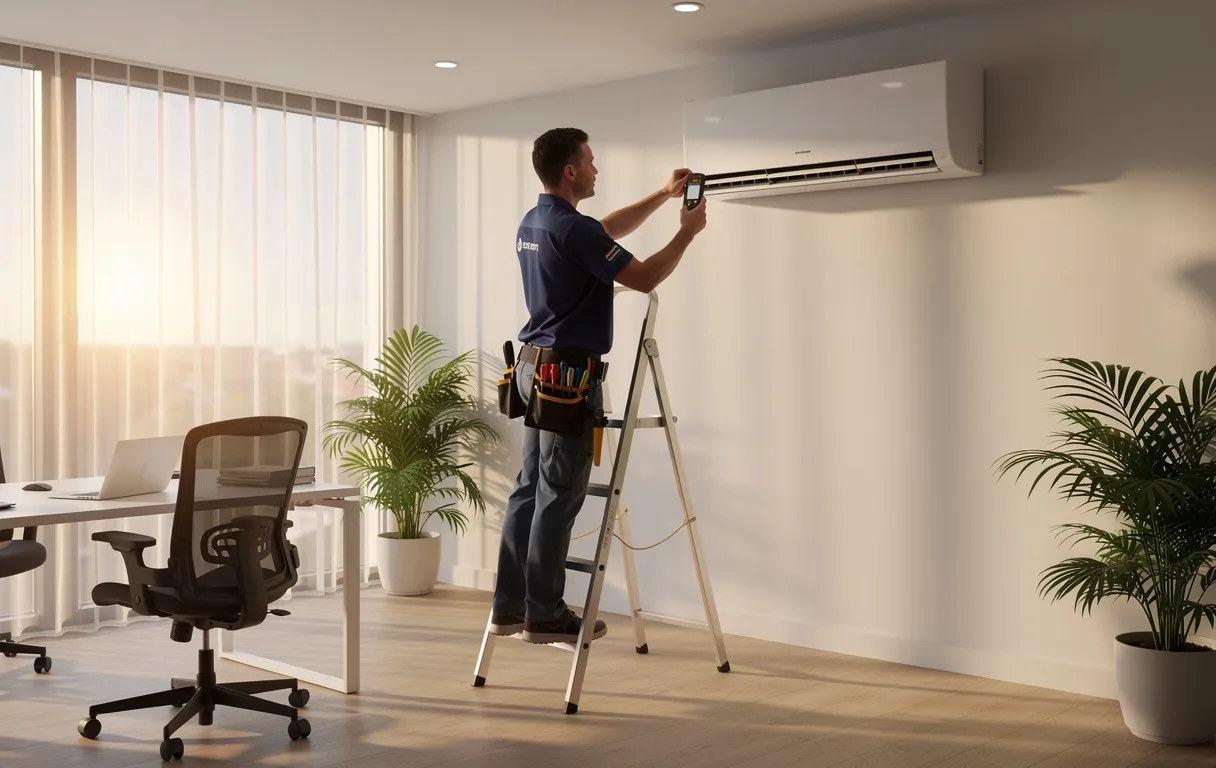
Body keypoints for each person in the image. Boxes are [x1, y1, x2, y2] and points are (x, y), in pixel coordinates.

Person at [490, 127, 708, 645]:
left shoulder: (536, 221)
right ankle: (544, 614)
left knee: (528, 490)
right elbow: (644, 276)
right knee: (558, 495)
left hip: (532, 367)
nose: (596, 168)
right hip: (568, 376)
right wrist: (687, 232)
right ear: (570, 170)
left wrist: (660, 195)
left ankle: (510, 606)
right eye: (590, 161)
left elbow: (601, 232)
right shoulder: (575, 231)